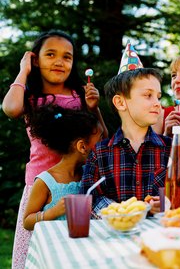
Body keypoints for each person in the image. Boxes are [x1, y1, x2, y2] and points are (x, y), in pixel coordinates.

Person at [2, 29, 107, 269]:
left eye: (67, 57)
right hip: (40, 186)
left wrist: (94, 108)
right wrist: (23, 70)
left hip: (75, 184)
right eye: (50, 54)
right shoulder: (29, 96)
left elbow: (99, 139)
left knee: (73, 252)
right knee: (35, 250)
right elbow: (10, 109)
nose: (59, 61)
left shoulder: (79, 94)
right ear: (36, 60)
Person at [80, 68, 172, 216]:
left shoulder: (171, 149)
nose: (157, 103)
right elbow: (88, 197)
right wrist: (121, 212)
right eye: (148, 95)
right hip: (114, 236)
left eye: (158, 97)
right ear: (120, 102)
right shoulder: (100, 152)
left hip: (160, 235)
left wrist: (167, 202)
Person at [23, 104, 103, 231]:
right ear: (82, 147)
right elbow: (27, 222)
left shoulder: (88, 176)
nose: (104, 145)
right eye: (100, 141)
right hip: (57, 246)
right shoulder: (46, 182)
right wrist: (52, 212)